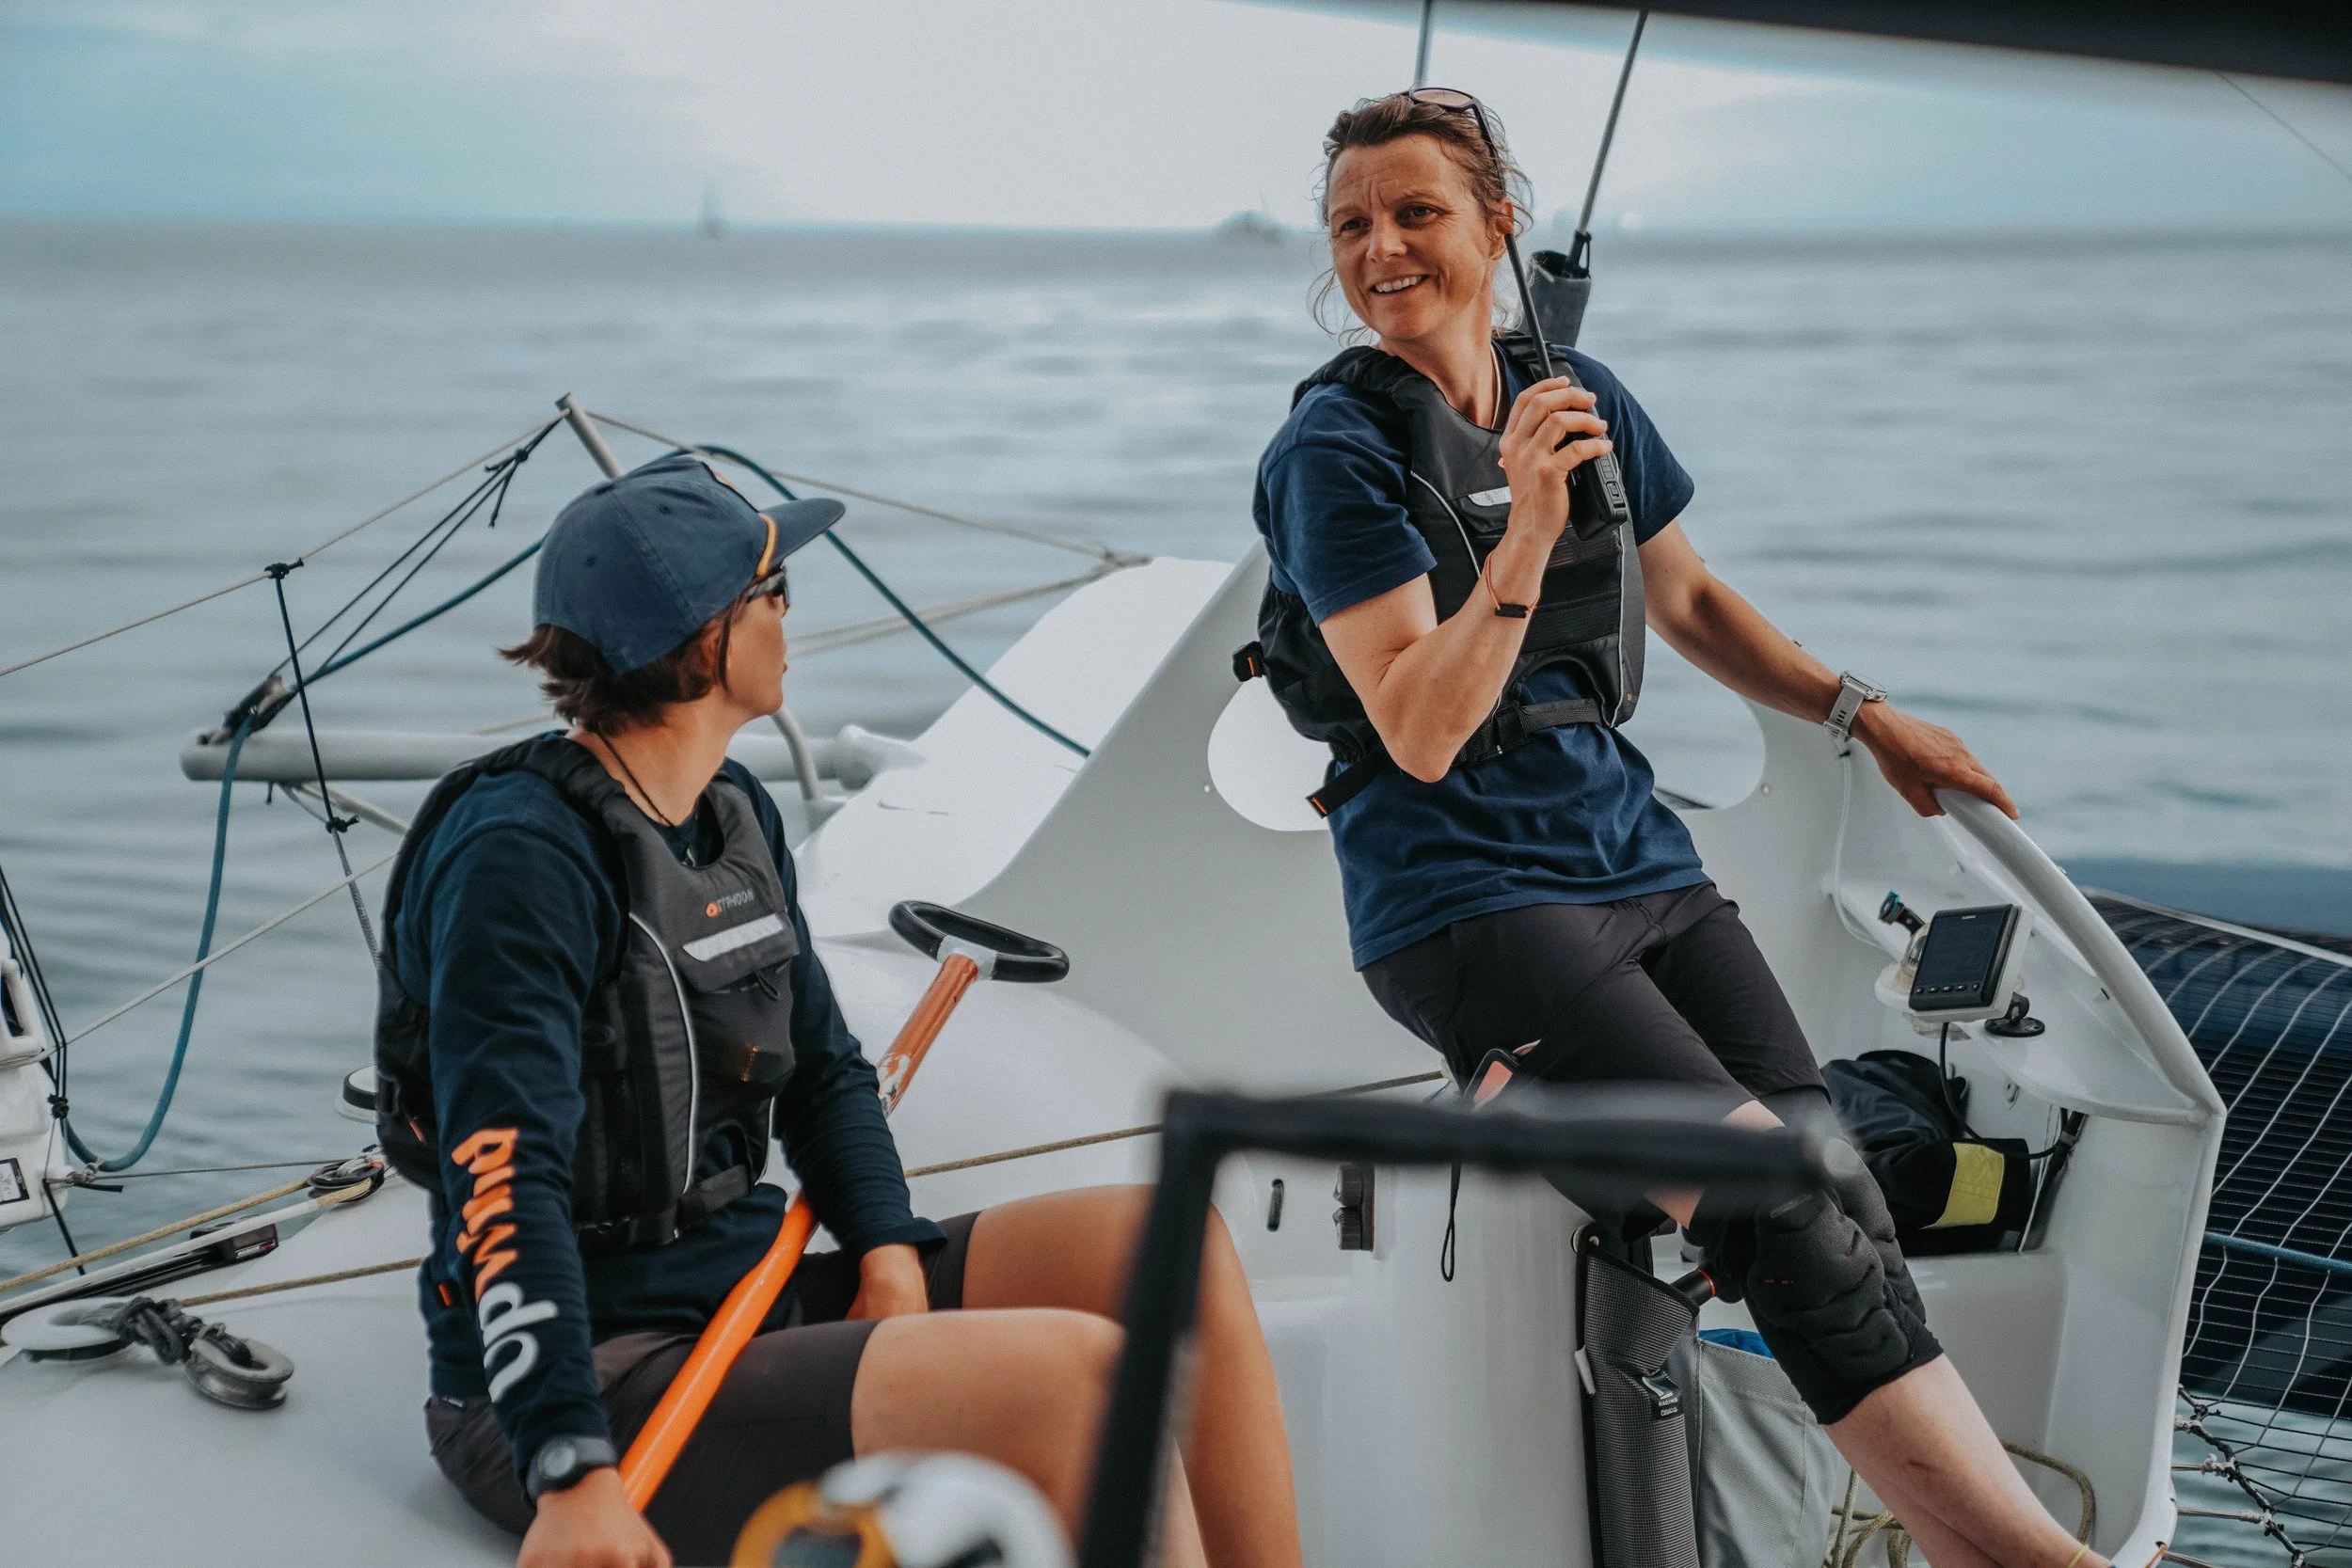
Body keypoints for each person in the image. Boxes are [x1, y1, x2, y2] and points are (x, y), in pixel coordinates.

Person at [1248, 91, 2098, 1568]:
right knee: (1777, 1199)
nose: (1381, 248)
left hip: (1638, 862)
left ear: (1496, 225)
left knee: (1834, 1192)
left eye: (1417, 213)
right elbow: (1421, 728)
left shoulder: (1577, 388)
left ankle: (1977, 1550)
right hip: (1469, 908)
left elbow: (1690, 602)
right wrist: (1519, 525)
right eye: (1352, 225)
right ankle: (2039, 1559)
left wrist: (1869, 715)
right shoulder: (1335, 450)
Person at [375, 454, 1302, 1568]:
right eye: (770, 591)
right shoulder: (520, 857)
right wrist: (570, 1470)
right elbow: (498, 1170)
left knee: (1172, 1248)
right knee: (1083, 1379)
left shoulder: (728, 810)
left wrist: (886, 1243)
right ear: (702, 638)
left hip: (743, 1294)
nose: (788, 610)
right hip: (596, 1384)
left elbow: (820, 1068)